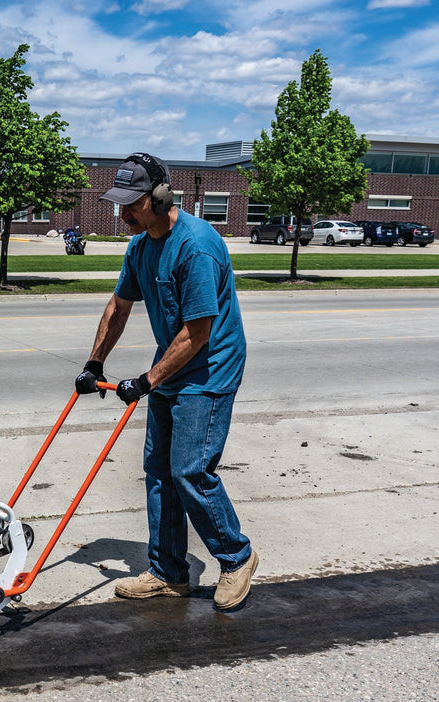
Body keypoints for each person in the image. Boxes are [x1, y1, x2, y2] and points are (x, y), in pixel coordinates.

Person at [75, 152, 257, 610]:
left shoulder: (196, 246)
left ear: (159, 198)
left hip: (209, 369)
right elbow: (119, 306)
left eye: (131, 205)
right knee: (158, 472)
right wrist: (94, 364)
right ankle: (169, 571)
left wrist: (146, 380)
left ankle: (237, 557)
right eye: (119, 204)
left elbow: (198, 333)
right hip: (171, 366)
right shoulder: (140, 247)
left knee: (189, 471)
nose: (122, 214)